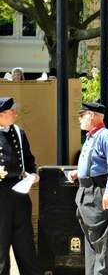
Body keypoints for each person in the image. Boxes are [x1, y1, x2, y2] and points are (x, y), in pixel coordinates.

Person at [68, 101, 108, 275]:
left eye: (81, 115)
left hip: (97, 192)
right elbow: (96, 163)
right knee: (91, 241)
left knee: (100, 242)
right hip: (86, 192)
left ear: (91, 115)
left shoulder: (105, 136)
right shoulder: (92, 136)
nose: (80, 120)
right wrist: (79, 172)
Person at [0, 97, 41, 275]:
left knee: (25, 242)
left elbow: (29, 159)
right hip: (0, 194)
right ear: (1, 115)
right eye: (11, 111)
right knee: (1, 245)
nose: (15, 113)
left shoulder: (19, 132)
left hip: (20, 191)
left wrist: (32, 173)